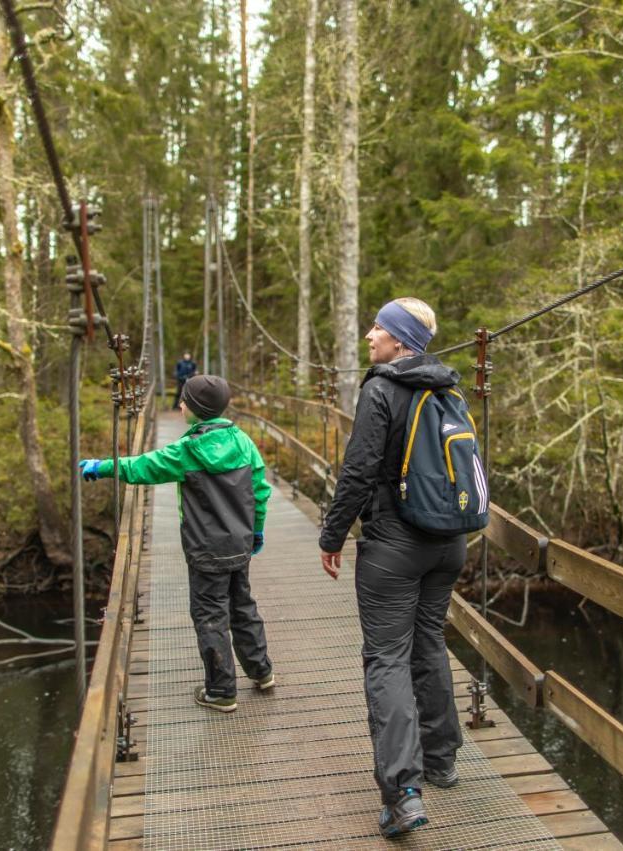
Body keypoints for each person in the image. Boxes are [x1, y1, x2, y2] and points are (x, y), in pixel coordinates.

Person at [318, 297, 465, 839]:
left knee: (386, 659)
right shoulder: (449, 389)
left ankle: (403, 794)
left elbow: (358, 472)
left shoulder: (381, 390)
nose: (369, 335)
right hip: (448, 544)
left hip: (394, 547)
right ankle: (442, 759)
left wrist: (332, 535)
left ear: (400, 340)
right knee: (427, 643)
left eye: (378, 327)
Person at [80, 375, 274, 712]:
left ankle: (221, 690)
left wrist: (102, 467)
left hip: (205, 550)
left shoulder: (188, 450)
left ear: (196, 410)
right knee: (242, 606)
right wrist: (256, 531)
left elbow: (143, 466)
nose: (179, 405)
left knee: (210, 615)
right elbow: (260, 490)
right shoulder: (243, 441)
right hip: (239, 545)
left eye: (184, 400)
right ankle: (262, 671)